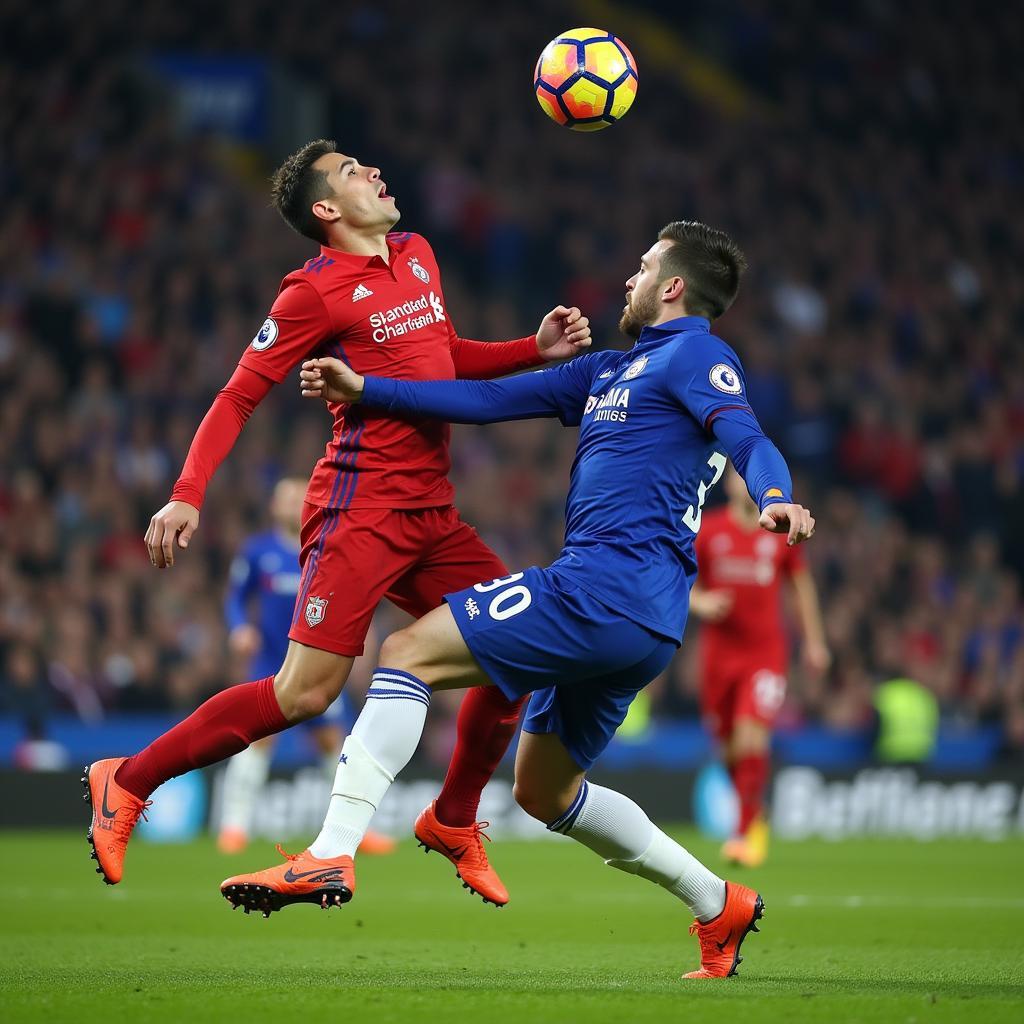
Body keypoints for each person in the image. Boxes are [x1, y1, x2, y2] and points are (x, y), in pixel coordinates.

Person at [224, 220, 816, 980]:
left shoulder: (696, 352)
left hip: (603, 589)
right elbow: (484, 400)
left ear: (674, 286)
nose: (627, 278)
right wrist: (366, 387)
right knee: (543, 790)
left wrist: (774, 496)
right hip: (642, 621)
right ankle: (717, 903)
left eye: (642, 268)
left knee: (405, 653)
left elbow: (743, 432)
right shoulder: (609, 371)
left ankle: (330, 854)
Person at [82, 140, 592, 906]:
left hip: (433, 513)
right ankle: (126, 778)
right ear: (326, 209)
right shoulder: (311, 294)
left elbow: (441, 356)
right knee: (304, 695)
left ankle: (454, 820)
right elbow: (238, 395)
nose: (377, 173)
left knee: (518, 646)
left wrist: (532, 350)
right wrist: (187, 491)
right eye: (355, 172)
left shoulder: (417, 253)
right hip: (361, 512)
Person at [217, 476, 394, 856]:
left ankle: (357, 830)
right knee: (258, 739)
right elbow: (235, 597)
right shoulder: (256, 551)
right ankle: (233, 828)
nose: (293, 505)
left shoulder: (325, 549)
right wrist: (239, 628)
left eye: (300, 499)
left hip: (318, 663)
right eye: (286, 499)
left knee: (336, 743)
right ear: (273, 506)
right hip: (271, 663)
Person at [689, 465, 830, 867]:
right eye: (739, 475)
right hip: (719, 656)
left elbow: (801, 586)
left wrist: (815, 642)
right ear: (729, 483)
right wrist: (699, 602)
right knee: (729, 747)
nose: (745, 484)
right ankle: (756, 813)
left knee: (753, 733)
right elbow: (681, 578)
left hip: (765, 653)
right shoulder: (709, 530)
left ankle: (744, 832)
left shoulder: (781, 535)